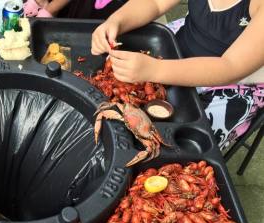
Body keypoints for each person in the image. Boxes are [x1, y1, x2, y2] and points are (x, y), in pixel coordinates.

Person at [91, 0, 264, 151]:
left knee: (176, 145)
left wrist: (154, 70)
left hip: (233, 84)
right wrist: (115, 21)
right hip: (182, 41)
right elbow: (155, 2)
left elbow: (230, 67)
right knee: (104, 88)